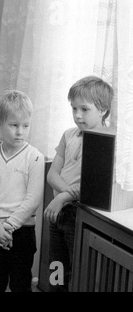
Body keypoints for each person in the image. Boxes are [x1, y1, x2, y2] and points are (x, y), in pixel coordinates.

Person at [44, 76, 113, 292]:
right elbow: (53, 174)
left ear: (102, 110)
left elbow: (95, 185)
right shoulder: (68, 135)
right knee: (57, 266)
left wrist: (64, 197)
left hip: (79, 214)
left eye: (84, 109)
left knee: (77, 270)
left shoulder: (106, 140)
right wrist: (62, 197)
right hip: (59, 211)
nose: (77, 115)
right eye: (74, 108)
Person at [0, 90, 45, 292]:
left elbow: (33, 199)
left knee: (21, 284)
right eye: (14, 125)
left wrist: (8, 226)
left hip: (22, 232)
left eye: (25, 126)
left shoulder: (35, 157)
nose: (20, 131)